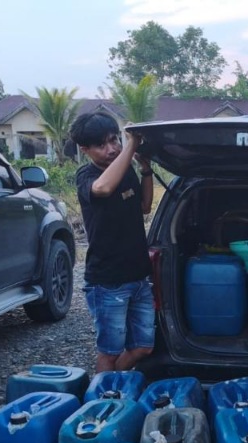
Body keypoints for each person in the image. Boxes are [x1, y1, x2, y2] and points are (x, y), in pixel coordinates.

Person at [70, 111, 155, 374]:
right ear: (85, 150)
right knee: (109, 352)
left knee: (143, 347)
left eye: (114, 140)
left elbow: (145, 206)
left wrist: (146, 169)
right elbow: (103, 189)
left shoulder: (126, 170)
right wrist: (131, 144)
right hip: (107, 282)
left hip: (138, 277)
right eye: (101, 145)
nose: (112, 149)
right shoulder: (85, 176)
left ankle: (108, 385)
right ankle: (101, 393)